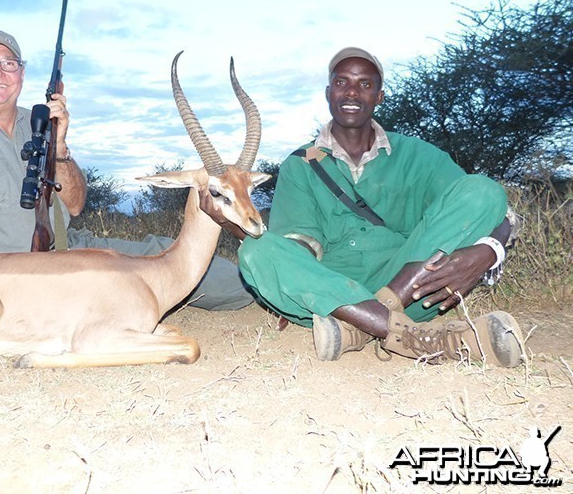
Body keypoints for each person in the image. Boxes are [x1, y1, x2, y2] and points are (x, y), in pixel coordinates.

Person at [204, 46, 523, 366]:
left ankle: (364, 325)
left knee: (484, 188)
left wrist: (490, 250)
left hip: (411, 286)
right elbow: (298, 245)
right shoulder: (300, 164)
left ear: (380, 96)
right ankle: (418, 338)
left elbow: (491, 206)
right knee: (256, 251)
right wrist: (237, 227)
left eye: (365, 84)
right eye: (342, 82)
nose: (352, 91)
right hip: (332, 294)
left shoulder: (418, 154)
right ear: (328, 93)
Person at [0, 28, 254, 311]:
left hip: (73, 248)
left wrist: (61, 146)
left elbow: (73, 206)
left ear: (22, 74)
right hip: (9, 273)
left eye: (8, 64)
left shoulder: (40, 123)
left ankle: (272, 290)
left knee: (204, 270)